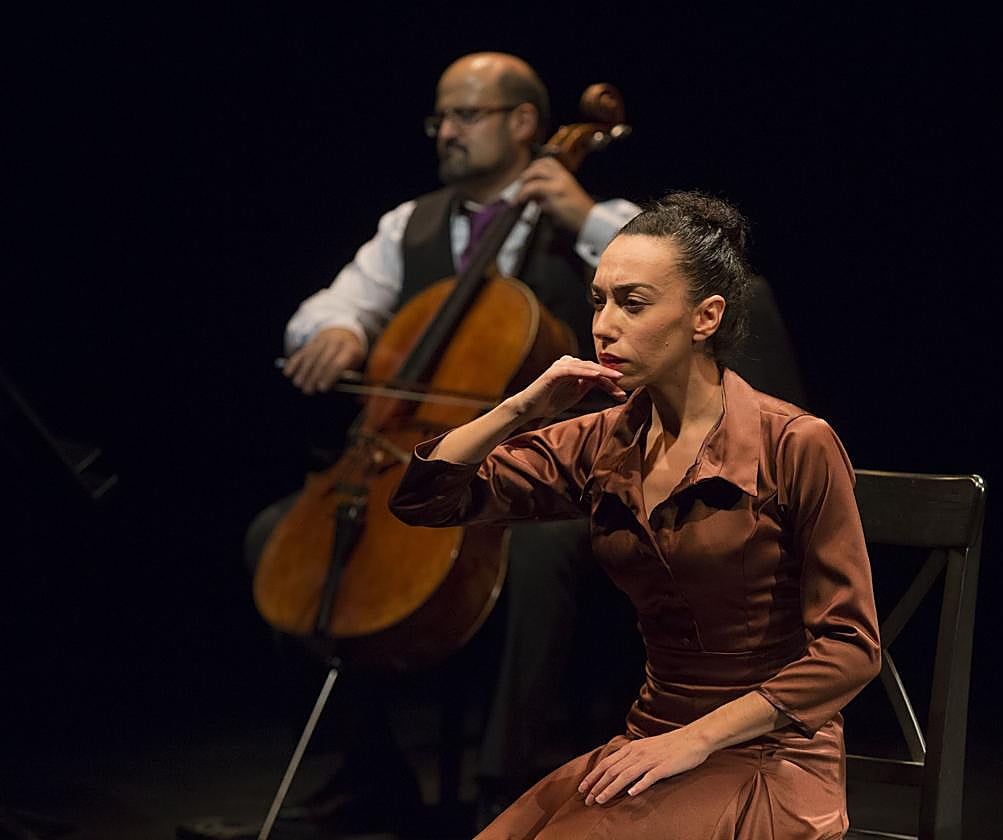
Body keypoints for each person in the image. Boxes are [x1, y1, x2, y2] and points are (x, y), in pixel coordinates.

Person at [389, 191, 881, 839]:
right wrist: (520, 409)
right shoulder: (602, 441)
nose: (605, 323)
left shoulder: (794, 444)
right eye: (599, 300)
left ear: (705, 318)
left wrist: (694, 741)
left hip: (767, 754)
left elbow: (851, 651)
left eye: (634, 303)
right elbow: (428, 499)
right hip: (648, 746)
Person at [238, 51, 640, 833]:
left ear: (524, 123)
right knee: (274, 539)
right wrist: (342, 329)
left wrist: (585, 215)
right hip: (416, 458)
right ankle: (365, 773)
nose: (446, 132)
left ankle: (509, 788)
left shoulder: (595, 215)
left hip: (549, 477)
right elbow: (323, 308)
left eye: (465, 115)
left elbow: (678, 276)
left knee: (535, 551)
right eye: (440, 118)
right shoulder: (411, 223)